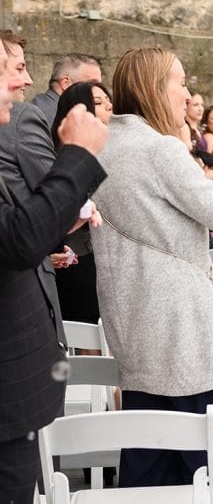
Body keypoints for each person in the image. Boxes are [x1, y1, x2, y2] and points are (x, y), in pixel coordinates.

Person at [90, 48, 213, 504]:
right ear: (151, 88)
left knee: (143, 448)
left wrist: (202, 183)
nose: (187, 94)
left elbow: (150, 210)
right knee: (205, 453)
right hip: (181, 324)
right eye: (179, 83)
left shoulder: (101, 142)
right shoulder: (161, 148)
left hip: (131, 318)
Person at [0, 33, 108, 504]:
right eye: (11, 68)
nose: (24, 80)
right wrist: (79, 156)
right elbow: (19, 237)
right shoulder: (26, 126)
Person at [0, 31, 68, 349]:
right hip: (24, 298)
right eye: (19, 67)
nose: (27, 79)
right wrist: (80, 155)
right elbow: (60, 199)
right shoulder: (22, 116)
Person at [49, 81, 113, 327]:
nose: (108, 105)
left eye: (108, 99)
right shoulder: (65, 158)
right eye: (98, 102)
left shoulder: (115, 147)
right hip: (79, 260)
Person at [29, 52, 103, 129]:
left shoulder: (43, 108)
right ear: (66, 83)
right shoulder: (46, 116)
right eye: (92, 83)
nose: (100, 90)